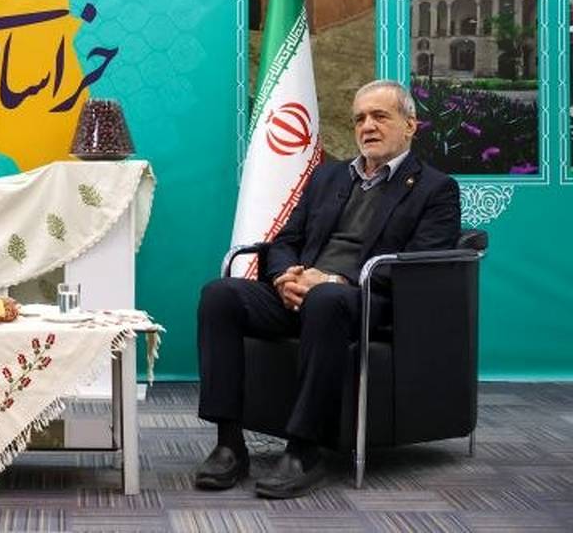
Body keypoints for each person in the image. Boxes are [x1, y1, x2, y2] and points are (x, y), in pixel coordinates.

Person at [195, 80, 460, 498]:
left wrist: (336, 280)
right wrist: (284, 277)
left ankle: (304, 450)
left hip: (368, 300)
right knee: (220, 295)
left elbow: (420, 262)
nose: (367, 126)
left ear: (410, 125)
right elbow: (285, 240)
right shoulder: (328, 176)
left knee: (327, 299)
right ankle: (229, 444)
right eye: (360, 119)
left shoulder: (435, 188)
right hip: (304, 291)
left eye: (380, 116)